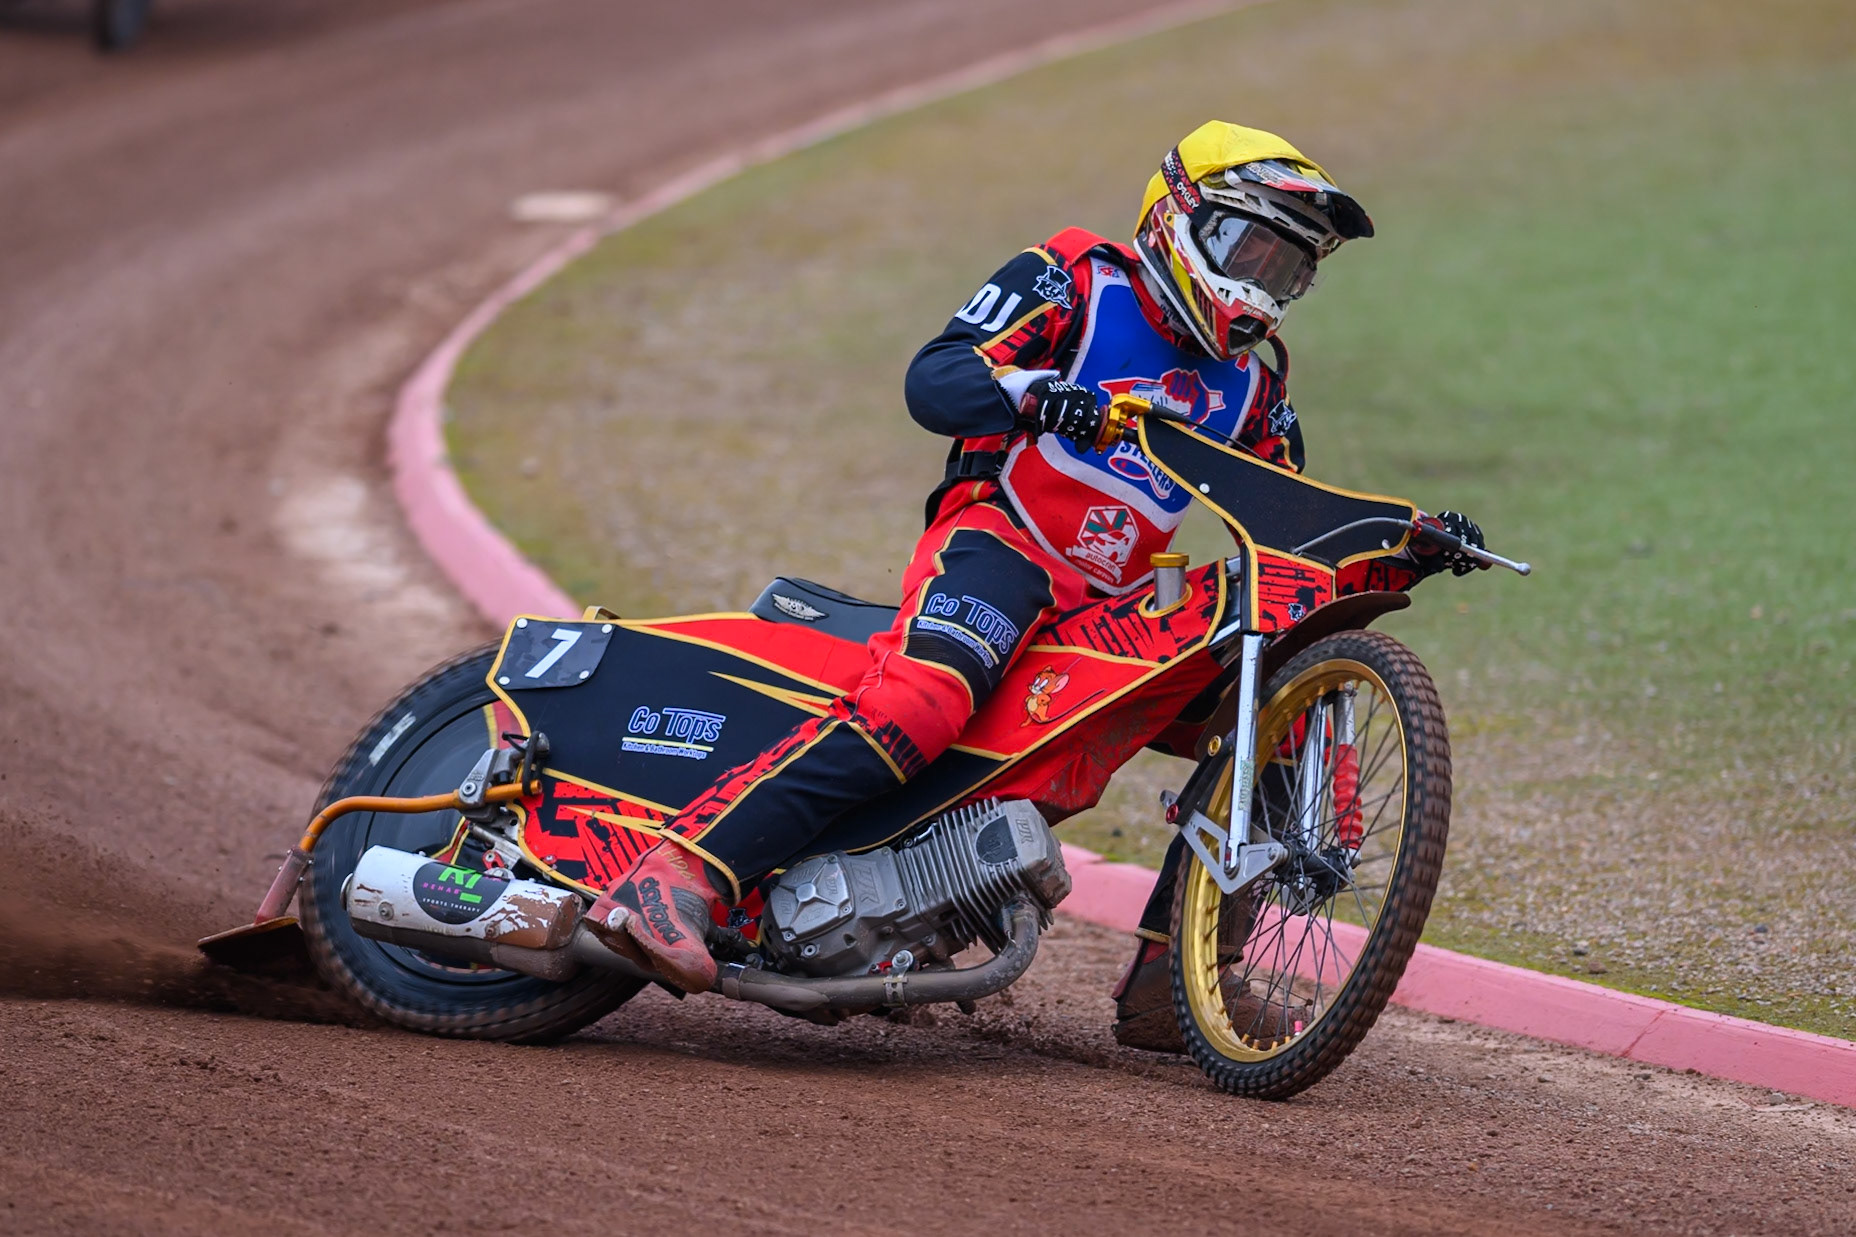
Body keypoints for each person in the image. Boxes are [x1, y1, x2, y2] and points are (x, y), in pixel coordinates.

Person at [585, 121, 1487, 1052]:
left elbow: (1288, 521)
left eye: (1287, 269)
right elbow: (934, 379)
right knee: (927, 698)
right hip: (998, 542)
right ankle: (679, 874)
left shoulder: (1257, 388)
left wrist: (1402, 542)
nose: (1261, 286)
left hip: (1113, 606)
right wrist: (1035, 392)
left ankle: (1175, 983)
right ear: (1180, 218)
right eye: (1247, 249)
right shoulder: (1077, 276)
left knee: (1279, 718)